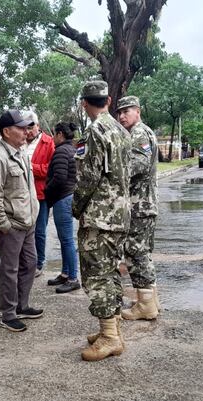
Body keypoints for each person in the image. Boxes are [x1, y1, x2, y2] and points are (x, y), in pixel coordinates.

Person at [73, 81, 131, 362]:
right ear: (108, 100)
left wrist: (76, 206)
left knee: (97, 276)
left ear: (85, 103)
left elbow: (89, 176)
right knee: (111, 271)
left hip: (100, 216)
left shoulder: (95, 131)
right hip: (120, 214)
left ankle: (109, 337)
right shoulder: (121, 130)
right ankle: (113, 329)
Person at [0, 109, 44, 332]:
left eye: (26, 127)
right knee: (9, 269)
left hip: (27, 222)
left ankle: (22, 305)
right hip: (12, 225)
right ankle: (8, 313)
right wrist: (4, 226)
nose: (25, 131)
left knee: (29, 263)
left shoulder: (21, 153)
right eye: (20, 128)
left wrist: (33, 213)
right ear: (7, 131)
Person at [116, 96, 160, 321]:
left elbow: (139, 165)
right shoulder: (143, 132)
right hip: (144, 204)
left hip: (139, 205)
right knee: (143, 253)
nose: (122, 116)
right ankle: (150, 299)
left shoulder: (139, 133)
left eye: (127, 111)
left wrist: (114, 170)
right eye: (120, 112)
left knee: (135, 253)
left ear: (138, 112)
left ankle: (145, 305)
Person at [44, 121, 80, 294]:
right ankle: (66, 273)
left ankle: (73, 278)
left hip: (62, 198)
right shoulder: (72, 150)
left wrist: (46, 191)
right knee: (65, 239)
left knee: (66, 240)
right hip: (69, 196)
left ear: (60, 134)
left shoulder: (60, 152)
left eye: (54, 134)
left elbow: (58, 178)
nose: (52, 138)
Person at [22, 112, 55, 277]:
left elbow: (50, 169)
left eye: (30, 127)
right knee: (25, 229)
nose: (28, 131)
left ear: (37, 125)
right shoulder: (20, 143)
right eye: (25, 127)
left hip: (40, 194)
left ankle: (39, 263)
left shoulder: (48, 142)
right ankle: (27, 262)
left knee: (39, 230)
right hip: (22, 194)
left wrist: (30, 167)